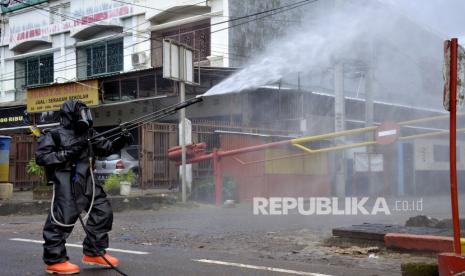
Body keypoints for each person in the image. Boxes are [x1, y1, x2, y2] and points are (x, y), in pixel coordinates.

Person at [35, 100, 132, 275]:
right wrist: (67, 153)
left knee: (103, 212)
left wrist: (121, 140)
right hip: (67, 180)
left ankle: (94, 252)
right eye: (81, 112)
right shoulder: (54, 135)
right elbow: (42, 157)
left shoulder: (89, 133)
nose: (85, 116)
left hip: (88, 179)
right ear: (70, 115)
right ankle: (55, 260)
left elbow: (105, 148)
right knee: (62, 219)